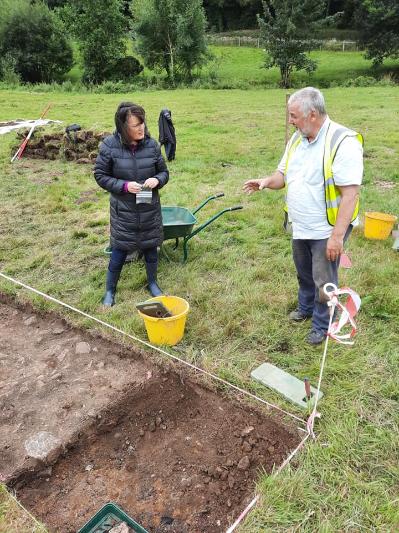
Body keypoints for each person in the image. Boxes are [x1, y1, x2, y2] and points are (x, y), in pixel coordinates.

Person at [243, 87, 363, 345]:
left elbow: (350, 195)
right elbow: (282, 176)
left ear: (312, 114)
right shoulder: (297, 139)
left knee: (324, 280)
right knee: (304, 272)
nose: (290, 120)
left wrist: (337, 237)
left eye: (294, 115)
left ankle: (323, 323)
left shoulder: (343, 142)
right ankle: (306, 307)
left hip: (326, 229)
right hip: (301, 225)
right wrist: (266, 181)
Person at [94, 102, 169, 306]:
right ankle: (110, 290)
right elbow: (100, 175)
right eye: (136, 125)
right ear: (123, 127)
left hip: (148, 208)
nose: (141, 128)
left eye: (142, 123)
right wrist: (125, 186)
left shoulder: (152, 145)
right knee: (119, 249)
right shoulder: (110, 146)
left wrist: (158, 180)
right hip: (124, 210)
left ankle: (152, 283)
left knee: (151, 247)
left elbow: (164, 172)